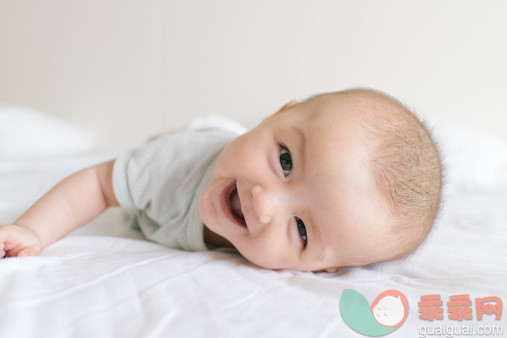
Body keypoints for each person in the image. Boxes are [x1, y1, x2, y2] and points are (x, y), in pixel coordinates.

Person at [0, 88, 443, 273]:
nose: (264, 204)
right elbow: (97, 185)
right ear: (278, 114)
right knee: (149, 159)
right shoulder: (170, 167)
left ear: (325, 268)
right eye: (285, 161)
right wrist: (32, 231)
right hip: (187, 146)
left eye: (302, 230)